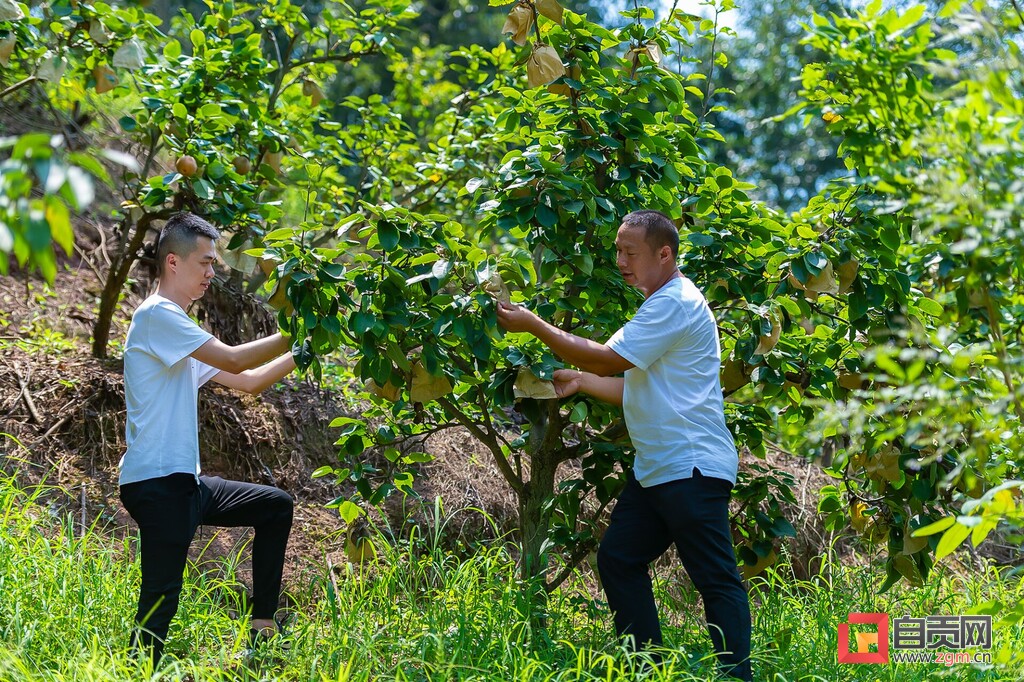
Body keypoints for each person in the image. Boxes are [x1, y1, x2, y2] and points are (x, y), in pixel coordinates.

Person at [496, 210, 752, 680]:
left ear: (664, 253)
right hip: (658, 470)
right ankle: (648, 669)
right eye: (617, 250)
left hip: (690, 467)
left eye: (630, 252)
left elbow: (610, 360)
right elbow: (633, 384)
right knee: (618, 559)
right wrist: (582, 380)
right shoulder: (659, 305)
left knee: (716, 580)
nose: (620, 261)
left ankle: (737, 676)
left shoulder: (674, 302)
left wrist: (534, 325)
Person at [119, 212, 296, 667]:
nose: (212, 272)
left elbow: (250, 381)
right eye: (206, 262)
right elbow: (236, 360)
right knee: (160, 604)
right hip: (158, 484)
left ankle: (262, 632)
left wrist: (306, 348)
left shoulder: (174, 328)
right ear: (173, 262)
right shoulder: (158, 315)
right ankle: (136, 672)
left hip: (184, 485)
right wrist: (298, 327)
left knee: (275, 506)